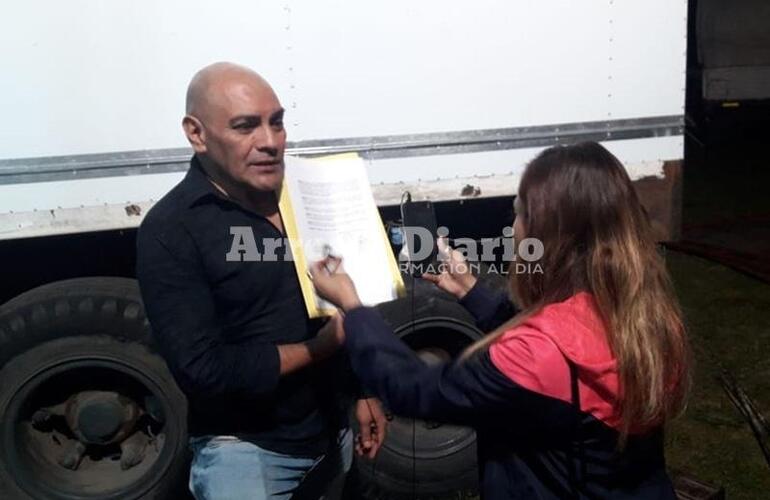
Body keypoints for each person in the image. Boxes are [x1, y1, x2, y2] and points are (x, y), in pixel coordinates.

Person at [309, 142, 691, 499]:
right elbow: (560, 339)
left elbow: (415, 388)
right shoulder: (647, 318)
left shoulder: (541, 355)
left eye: (520, 210)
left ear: (547, 234)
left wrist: (354, 308)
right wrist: (471, 290)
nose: (514, 225)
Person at [136, 62, 386, 500]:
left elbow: (338, 307)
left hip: (332, 435)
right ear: (197, 134)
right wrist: (319, 348)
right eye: (245, 127)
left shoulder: (307, 195)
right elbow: (204, 370)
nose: (270, 142)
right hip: (246, 453)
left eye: (277, 123)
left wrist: (361, 391)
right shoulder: (171, 230)